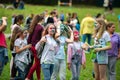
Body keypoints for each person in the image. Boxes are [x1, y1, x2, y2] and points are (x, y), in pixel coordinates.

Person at [25, 15, 44, 80]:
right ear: (41, 20)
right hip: (37, 47)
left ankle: (39, 78)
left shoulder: (33, 26)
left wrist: (29, 45)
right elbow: (42, 38)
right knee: (37, 63)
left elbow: (29, 38)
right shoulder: (41, 27)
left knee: (37, 63)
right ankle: (27, 77)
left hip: (32, 46)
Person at [10, 14, 24, 79]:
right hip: (16, 46)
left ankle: (14, 76)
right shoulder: (16, 27)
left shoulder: (19, 26)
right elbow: (14, 37)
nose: (23, 20)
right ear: (19, 20)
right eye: (22, 19)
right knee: (14, 63)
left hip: (17, 46)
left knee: (15, 63)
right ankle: (13, 76)